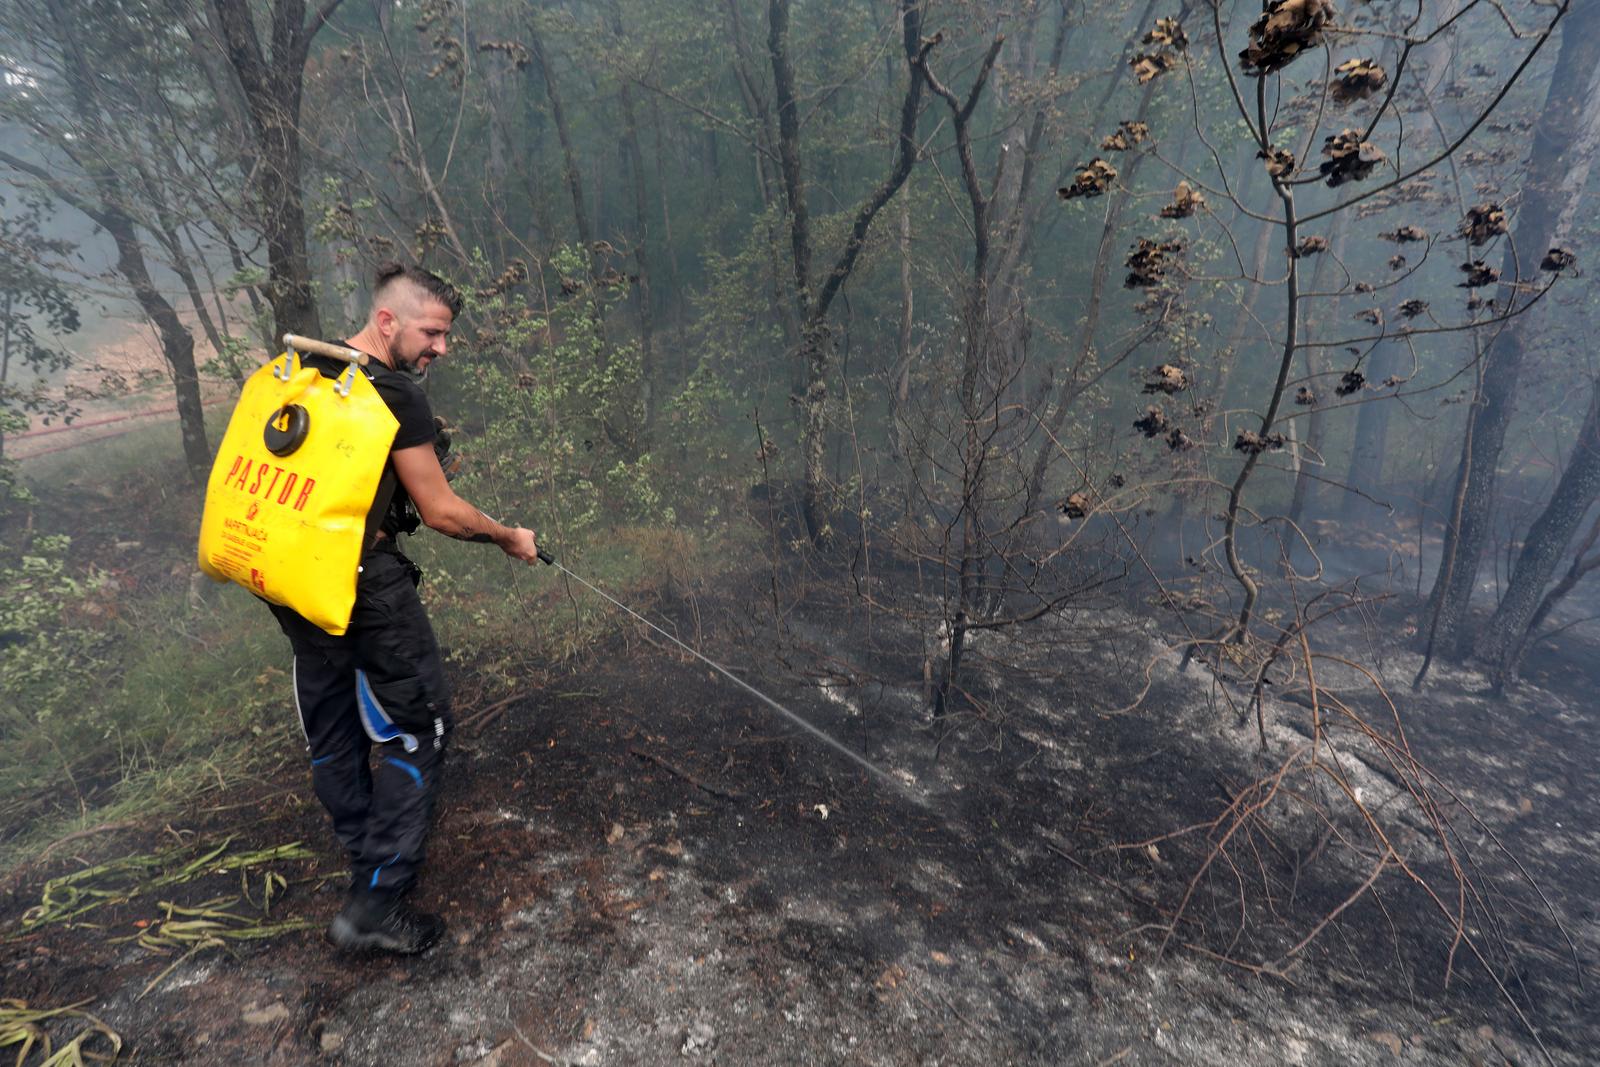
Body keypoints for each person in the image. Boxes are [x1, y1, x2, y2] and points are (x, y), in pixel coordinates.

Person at [267, 262, 540, 955]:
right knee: (421, 728)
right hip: (364, 586)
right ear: (387, 321)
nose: (441, 348)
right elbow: (443, 511)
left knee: (332, 726)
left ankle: (364, 861)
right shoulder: (392, 394)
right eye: (434, 332)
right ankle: (378, 900)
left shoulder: (307, 371)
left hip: (295, 579)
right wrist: (511, 537)